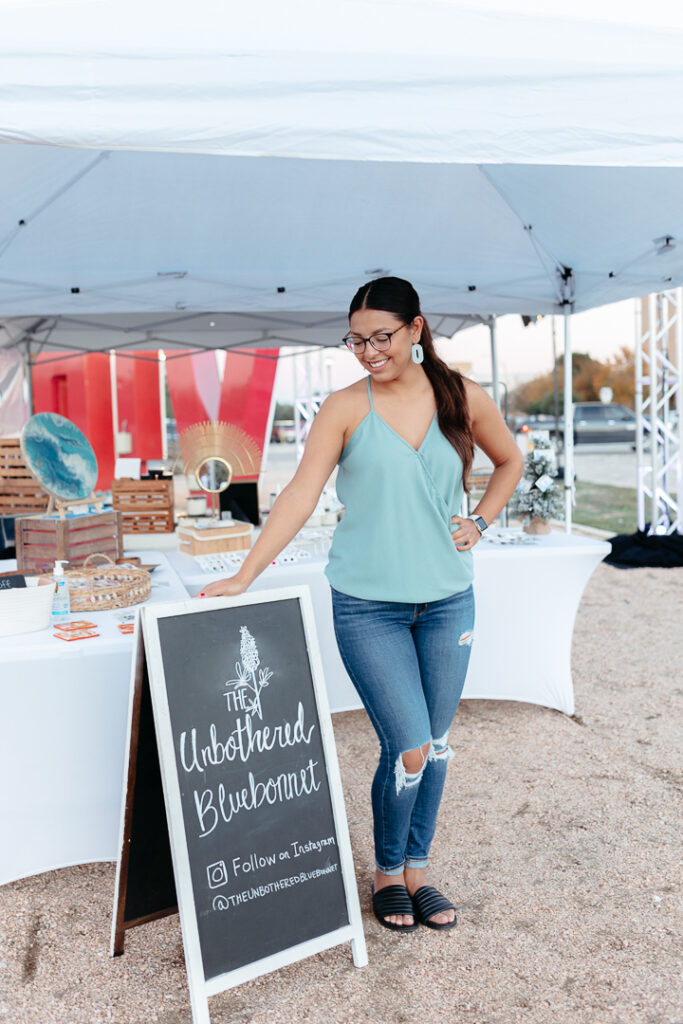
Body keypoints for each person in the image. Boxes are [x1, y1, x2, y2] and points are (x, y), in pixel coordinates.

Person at [198, 277, 524, 933]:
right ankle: (385, 873)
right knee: (404, 745)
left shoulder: (460, 398)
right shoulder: (346, 407)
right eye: (357, 339)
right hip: (366, 607)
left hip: (447, 601)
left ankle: (416, 872)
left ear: (415, 329)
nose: (368, 350)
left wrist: (481, 521)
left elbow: (509, 461)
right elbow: (298, 494)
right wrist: (245, 574)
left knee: (433, 746)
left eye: (382, 337)